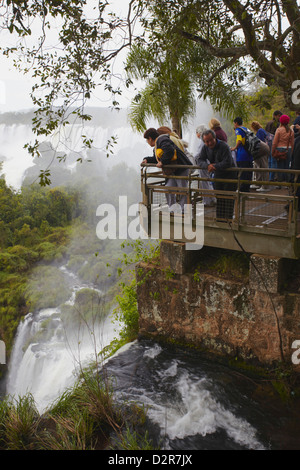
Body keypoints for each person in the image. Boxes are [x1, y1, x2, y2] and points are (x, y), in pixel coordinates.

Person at [142, 127, 192, 212]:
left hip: (181, 168)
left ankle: (185, 211)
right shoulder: (158, 144)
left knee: (182, 189)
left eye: (147, 140)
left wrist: (163, 162)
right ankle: (172, 209)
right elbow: (156, 158)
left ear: (150, 138)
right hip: (173, 170)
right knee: (168, 188)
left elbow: (169, 151)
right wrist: (147, 160)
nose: (147, 142)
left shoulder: (162, 140)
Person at [197, 129, 237, 221]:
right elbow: (199, 159)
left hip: (230, 175)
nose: (210, 143)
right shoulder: (205, 148)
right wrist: (207, 166)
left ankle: (228, 220)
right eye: (207, 141)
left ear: (215, 138)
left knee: (228, 198)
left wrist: (214, 167)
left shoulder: (224, 146)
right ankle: (220, 220)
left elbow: (228, 162)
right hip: (218, 175)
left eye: (211, 140)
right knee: (219, 198)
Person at [194, 124, 216, 207]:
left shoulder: (202, 141)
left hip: (203, 164)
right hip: (206, 163)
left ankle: (207, 201)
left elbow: (199, 154)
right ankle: (212, 199)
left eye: (196, 133)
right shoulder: (204, 141)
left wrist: (195, 159)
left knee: (204, 182)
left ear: (199, 133)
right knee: (207, 182)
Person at [230, 117, 253, 192]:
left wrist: (234, 148)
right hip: (249, 153)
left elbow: (239, 140)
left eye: (234, 123)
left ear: (236, 123)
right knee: (249, 172)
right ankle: (247, 188)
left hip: (242, 155)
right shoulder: (246, 129)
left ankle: (242, 189)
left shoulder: (238, 130)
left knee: (242, 172)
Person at [271, 115, 294, 183]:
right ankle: (287, 183)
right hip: (288, 149)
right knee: (287, 167)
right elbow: (292, 143)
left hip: (279, 149)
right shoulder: (290, 130)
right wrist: (292, 152)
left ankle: (280, 183)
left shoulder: (279, 130)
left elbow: (275, 142)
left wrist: (272, 151)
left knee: (280, 167)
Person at [250, 121, 271, 192]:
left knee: (263, 167)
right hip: (264, 150)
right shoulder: (262, 130)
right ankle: (258, 183)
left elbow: (259, 141)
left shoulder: (260, 132)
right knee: (258, 167)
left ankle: (265, 186)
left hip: (262, 151)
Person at [265, 110, 282, 182]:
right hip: (274, 143)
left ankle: (269, 177)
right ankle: (272, 178)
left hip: (267, 143)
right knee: (273, 161)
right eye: (279, 116)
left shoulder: (268, 123)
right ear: (276, 115)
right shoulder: (277, 124)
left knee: (269, 161)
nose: (280, 118)